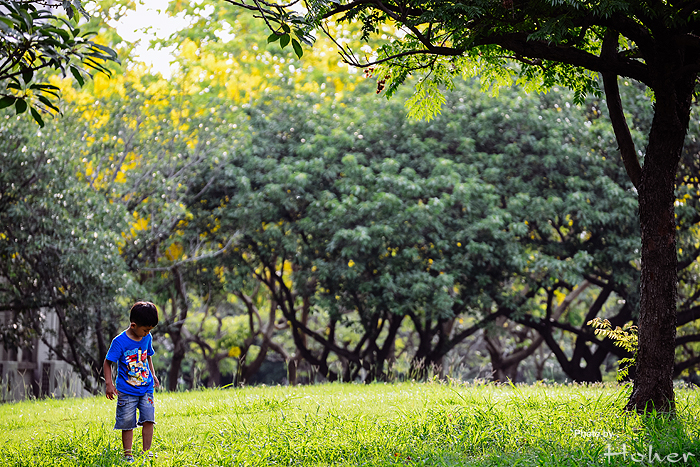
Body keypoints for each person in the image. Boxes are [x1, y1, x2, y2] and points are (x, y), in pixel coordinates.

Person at [103, 301, 160, 463]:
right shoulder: (119, 342)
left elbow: (148, 356)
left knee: (149, 419)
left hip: (146, 388)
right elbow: (108, 362)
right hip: (127, 391)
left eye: (150, 330)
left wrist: (153, 374)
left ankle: (146, 451)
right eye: (145, 329)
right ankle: (128, 454)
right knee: (127, 422)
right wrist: (109, 383)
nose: (148, 333)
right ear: (133, 325)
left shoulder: (147, 337)